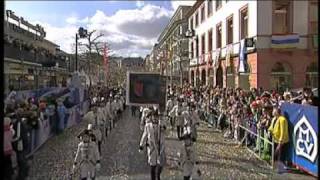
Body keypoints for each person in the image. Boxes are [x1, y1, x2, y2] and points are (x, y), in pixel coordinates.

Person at [139, 110, 166, 180]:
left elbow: (164, 132)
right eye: (153, 117)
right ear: (151, 117)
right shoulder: (148, 126)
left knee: (161, 164)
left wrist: (163, 127)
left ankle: (158, 175)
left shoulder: (160, 125)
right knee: (152, 165)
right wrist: (141, 145)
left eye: (156, 117)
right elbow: (144, 135)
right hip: (152, 148)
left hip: (160, 147)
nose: (155, 118)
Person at [268, 107, 289, 173]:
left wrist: (281, 140)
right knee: (275, 153)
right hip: (275, 139)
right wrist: (269, 131)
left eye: (273, 111)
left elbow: (283, 131)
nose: (272, 112)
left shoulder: (282, 119)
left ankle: (281, 168)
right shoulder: (274, 118)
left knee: (281, 154)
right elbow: (271, 127)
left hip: (282, 140)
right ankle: (276, 166)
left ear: (277, 112)